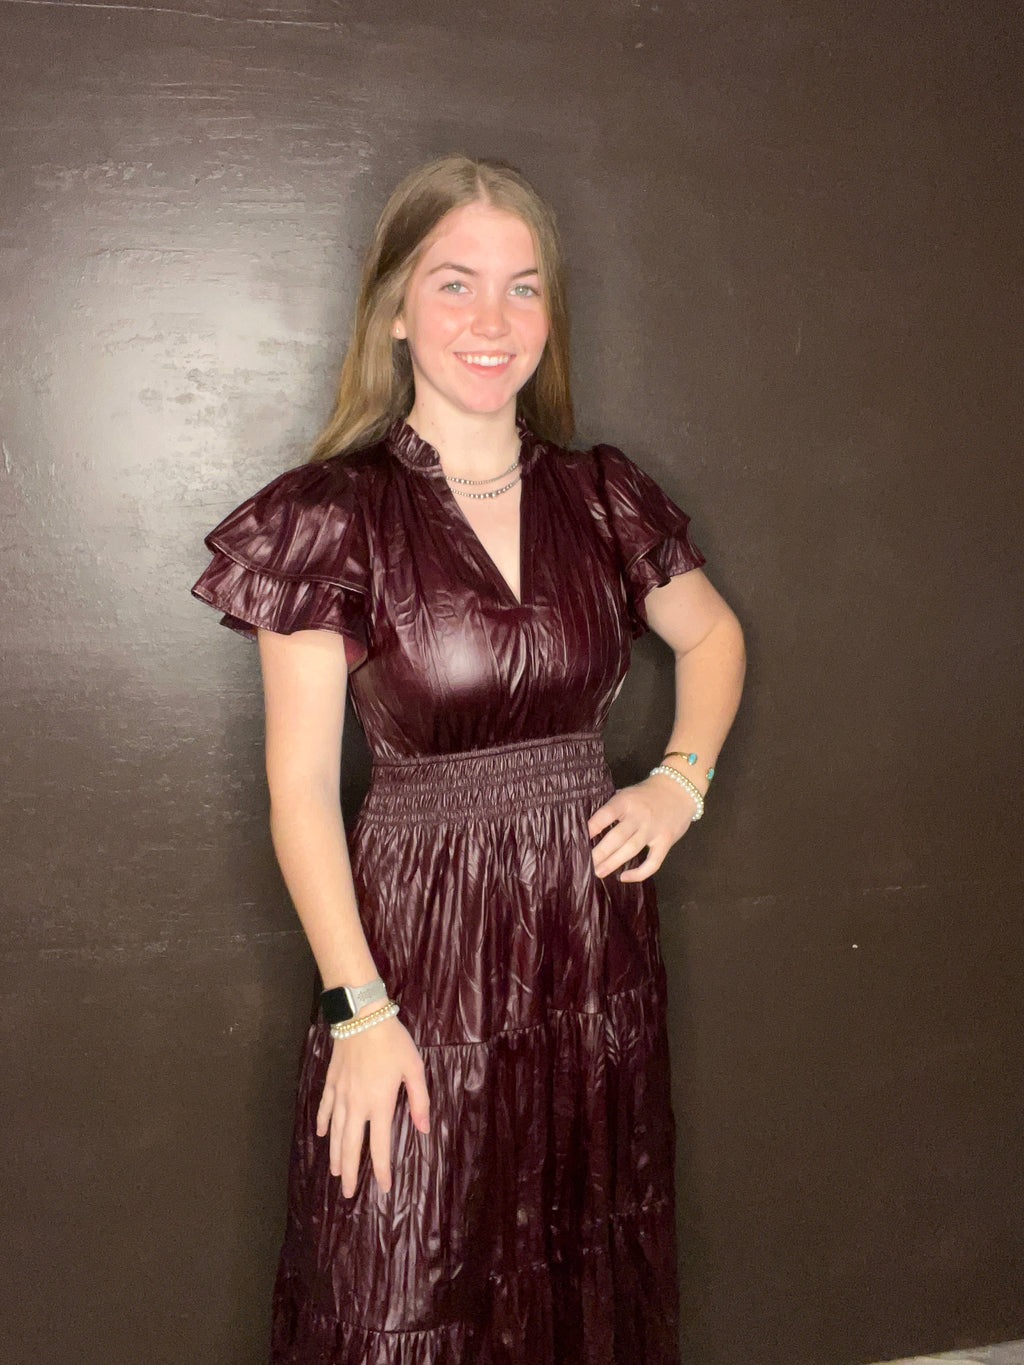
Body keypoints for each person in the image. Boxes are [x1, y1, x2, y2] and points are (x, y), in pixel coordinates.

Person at [191, 153, 745, 1365]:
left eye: (521, 287)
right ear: (395, 307)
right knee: (403, 1269)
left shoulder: (602, 494)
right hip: (417, 949)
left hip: (589, 941)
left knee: (579, 1253)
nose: (491, 320)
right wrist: (358, 1011)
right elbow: (299, 793)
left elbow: (712, 637)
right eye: (454, 283)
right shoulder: (328, 515)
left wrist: (680, 781)